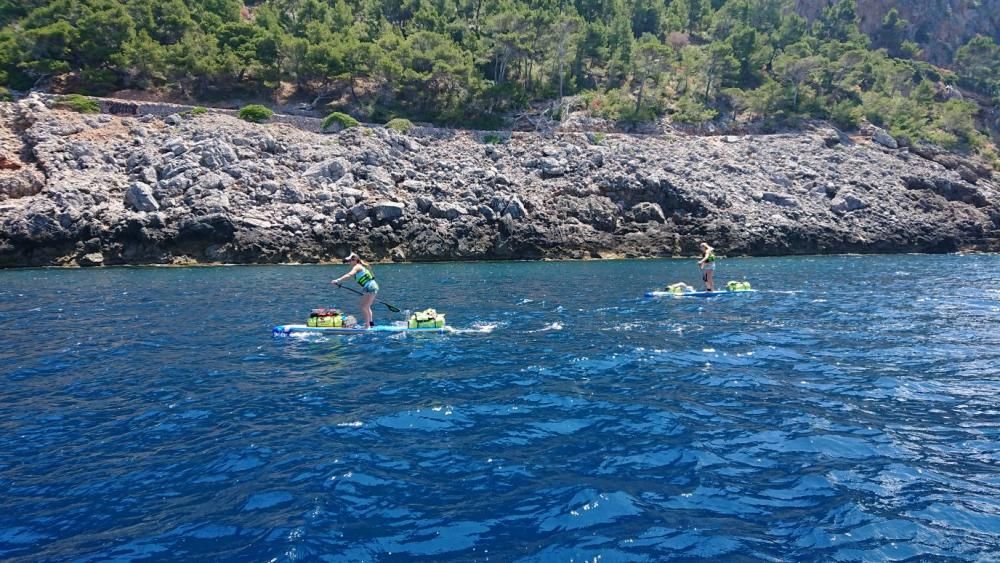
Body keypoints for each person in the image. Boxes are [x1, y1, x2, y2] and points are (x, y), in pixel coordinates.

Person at [331, 253, 379, 328]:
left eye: (350, 261)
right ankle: (370, 323)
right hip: (371, 286)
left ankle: (367, 326)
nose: (349, 262)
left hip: (370, 287)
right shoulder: (359, 266)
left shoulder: (357, 267)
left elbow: (349, 275)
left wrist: (337, 280)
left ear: (355, 260)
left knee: (363, 306)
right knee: (367, 306)